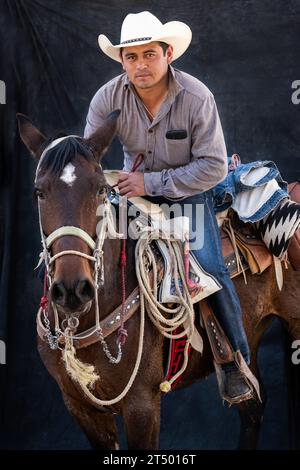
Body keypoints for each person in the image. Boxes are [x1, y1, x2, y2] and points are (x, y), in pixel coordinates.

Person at [84, 11, 255, 402]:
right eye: (131, 57)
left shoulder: (196, 97)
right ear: (122, 60)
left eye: (149, 54)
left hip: (189, 193)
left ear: (168, 54)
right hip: (131, 191)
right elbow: (89, 157)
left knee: (209, 268)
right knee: (94, 250)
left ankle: (235, 363)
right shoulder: (107, 99)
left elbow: (213, 167)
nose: (140, 65)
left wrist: (152, 182)